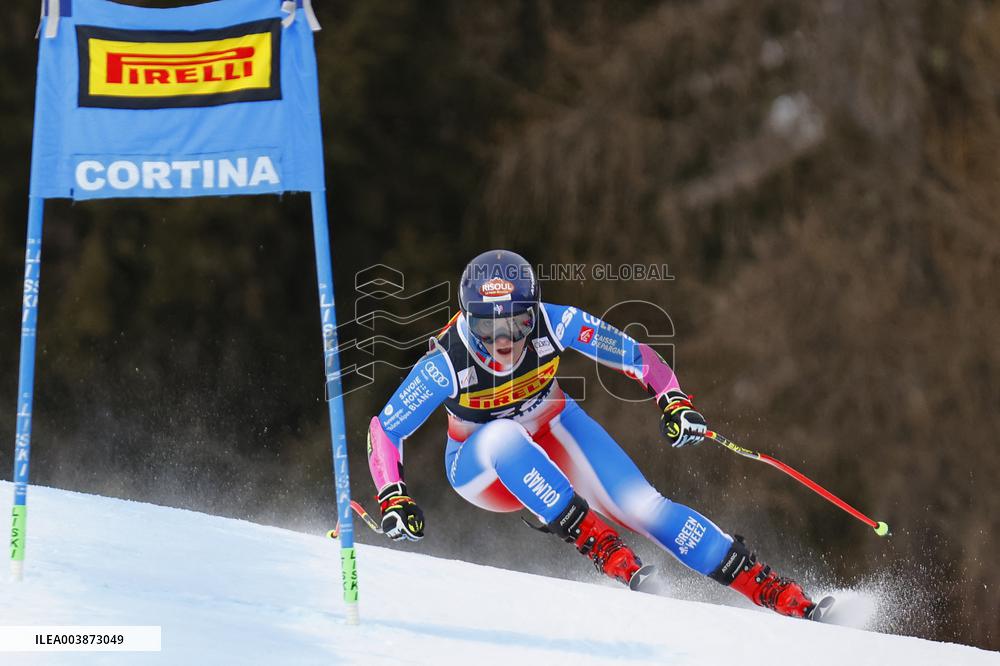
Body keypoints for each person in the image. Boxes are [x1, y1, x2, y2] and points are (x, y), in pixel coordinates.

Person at [366, 249, 820, 619]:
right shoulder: (445, 362)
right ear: (467, 319)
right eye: (488, 326)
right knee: (503, 435)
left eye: (519, 323)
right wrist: (394, 496)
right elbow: (384, 429)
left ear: (534, 312)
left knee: (646, 507)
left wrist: (673, 401)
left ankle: (772, 589)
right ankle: (599, 543)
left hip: (553, 427)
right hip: (481, 466)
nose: (504, 340)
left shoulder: (556, 321)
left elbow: (637, 356)